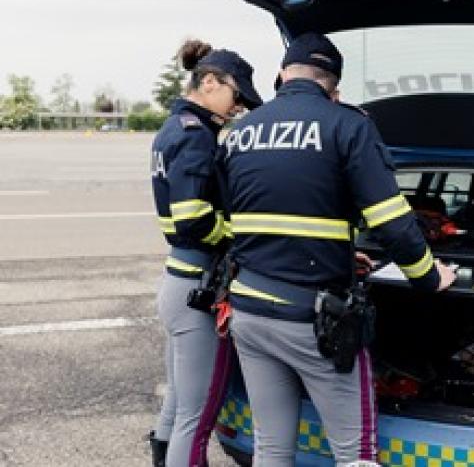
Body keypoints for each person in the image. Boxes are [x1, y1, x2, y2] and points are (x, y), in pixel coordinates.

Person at [220, 32, 456, 467]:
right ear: (335, 89)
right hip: (312, 321)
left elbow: (252, 214)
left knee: (271, 447)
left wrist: (338, 252)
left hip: (249, 312)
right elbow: (393, 225)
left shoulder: (240, 132)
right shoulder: (346, 125)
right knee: (355, 454)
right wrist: (428, 275)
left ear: (281, 76)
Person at [149, 39, 262, 467]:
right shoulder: (197, 138)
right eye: (238, 96)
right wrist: (247, 234)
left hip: (178, 280)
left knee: (179, 401)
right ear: (210, 82)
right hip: (198, 285)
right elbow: (194, 220)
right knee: (196, 419)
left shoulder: (174, 127)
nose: (240, 108)